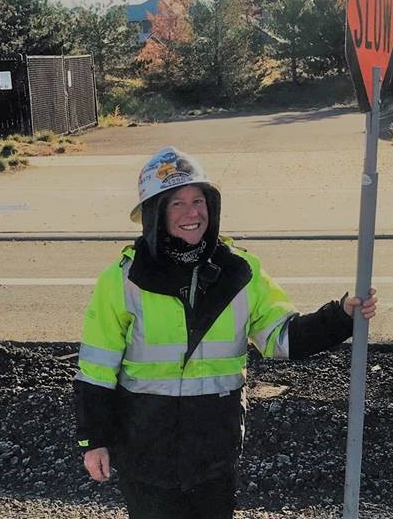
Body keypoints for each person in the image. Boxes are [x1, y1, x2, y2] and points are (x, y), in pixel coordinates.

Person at [74, 146, 377, 519]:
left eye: (198, 200)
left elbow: (282, 338)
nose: (192, 213)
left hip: (213, 452)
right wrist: (95, 441)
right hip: (144, 451)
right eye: (177, 204)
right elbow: (95, 371)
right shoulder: (122, 279)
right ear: (154, 214)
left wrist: (340, 316)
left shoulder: (240, 272)